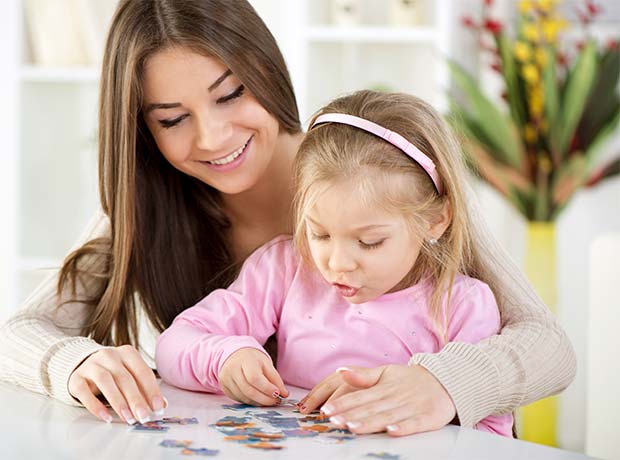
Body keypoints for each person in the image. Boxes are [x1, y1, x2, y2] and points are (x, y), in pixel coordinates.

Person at [0, 0, 575, 436]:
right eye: (173, 119)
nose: (213, 136)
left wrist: (445, 382)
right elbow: (16, 336)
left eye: (231, 95)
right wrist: (78, 361)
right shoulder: (148, 210)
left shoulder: (377, 174)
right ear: (144, 132)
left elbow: (549, 347)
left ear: (267, 70)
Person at [155, 90, 517, 437]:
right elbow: (174, 345)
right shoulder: (284, 268)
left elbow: (488, 439)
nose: (338, 263)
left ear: (436, 220)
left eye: (369, 242)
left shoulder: (464, 305)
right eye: (320, 234)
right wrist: (225, 357)